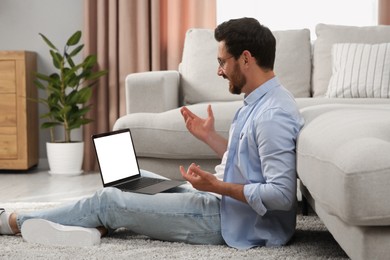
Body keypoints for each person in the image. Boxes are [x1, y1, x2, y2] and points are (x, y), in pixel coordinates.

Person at [0, 17, 304, 248]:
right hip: (222, 203)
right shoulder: (257, 101)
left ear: (247, 59)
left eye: (222, 61)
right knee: (131, 179)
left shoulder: (272, 114)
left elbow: (281, 196)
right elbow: (252, 165)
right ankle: (95, 228)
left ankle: (13, 221)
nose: (219, 70)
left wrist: (217, 186)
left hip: (230, 220)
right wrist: (209, 137)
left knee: (108, 200)